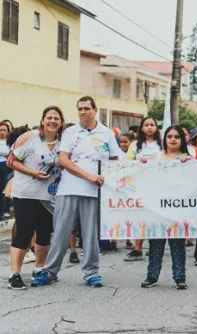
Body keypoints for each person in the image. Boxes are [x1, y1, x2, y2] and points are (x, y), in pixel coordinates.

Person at [32, 96, 122, 288]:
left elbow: (117, 159)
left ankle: (91, 272)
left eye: (87, 108)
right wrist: (87, 176)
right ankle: (49, 271)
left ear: (95, 110)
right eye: (80, 109)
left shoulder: (106, 133)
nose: (83, 112)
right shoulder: (70, 132)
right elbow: (64, 160)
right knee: (61, 232)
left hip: (93, 190)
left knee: (90, 233)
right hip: (68, 188)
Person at [6, 107, 64, 290]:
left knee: (45, 233)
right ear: (42, 120)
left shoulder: (64, 142)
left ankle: (40, 269)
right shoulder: (30, 138)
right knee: (24, 232)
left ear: (61, 122)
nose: (53, 121)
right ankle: (14, 274)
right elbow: (11, 161)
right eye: (49, 118)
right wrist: (33, 173)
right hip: (26, 193)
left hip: (50, 196)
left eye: (56, 118)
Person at [140, 125, 188, 289]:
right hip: (157, 207)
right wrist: (141, 165)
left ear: (182, 140)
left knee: (178, 244)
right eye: (169, 136)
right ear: (165, 139)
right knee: (156, 243)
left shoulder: (186, 158)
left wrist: (188, 164)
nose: (173, 139)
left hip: (177, 207)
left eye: (176, 136)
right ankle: (152, 276)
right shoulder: (156, 157)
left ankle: (180, 277)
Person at [124, 117, 163, 262]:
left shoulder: (162, 144)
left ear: (156, 127)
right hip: (139, 186)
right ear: (141, 128)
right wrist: (136, 162)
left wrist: (186, 158)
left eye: (152, 125)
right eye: (146, 125)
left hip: (158, 186)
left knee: (155, 217)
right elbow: (125, 163)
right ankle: (137, 248)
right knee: (140, 217)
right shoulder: (135, 145)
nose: (149, 128)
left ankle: (154, 248)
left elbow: (176, 154)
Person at [0, 121, 12, 219]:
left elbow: (11, 153)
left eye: (4, 130)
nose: (2, 132)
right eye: (0, 130)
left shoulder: (10, 141)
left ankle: (3, 211)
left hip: (6, 166)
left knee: (4, 189)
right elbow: (7, 153)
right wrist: (5, 153)